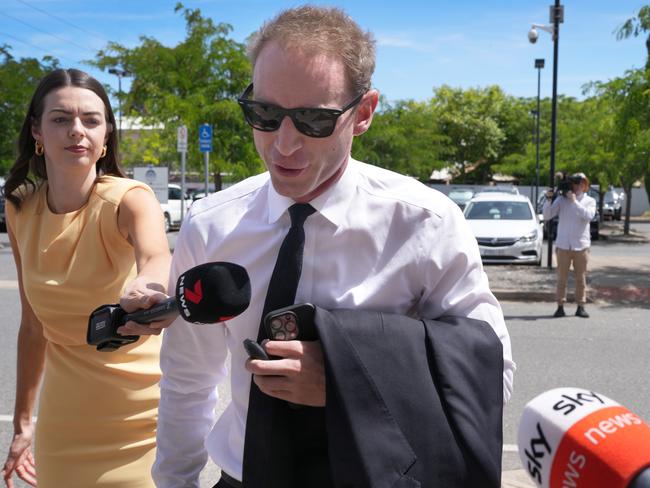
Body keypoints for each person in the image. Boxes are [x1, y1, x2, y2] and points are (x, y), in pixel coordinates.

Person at [153, 6, 514, 487]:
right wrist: (176, 482)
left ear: (363, 113)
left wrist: (349, 380)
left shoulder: (425, 223)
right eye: (265, 114)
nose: (283, 144)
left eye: (312, 120)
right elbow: (188, 377)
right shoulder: (211, 225)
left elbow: (490, 376)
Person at [1, 69, 171, 488]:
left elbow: (156, 257)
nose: (77, 130)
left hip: (141, 415)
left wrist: (148, 286)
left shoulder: (129, 199)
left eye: (91, 120)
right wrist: (23, 425)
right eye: (61, 119)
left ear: (107, 136)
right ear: (37, 130)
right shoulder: (19, 207)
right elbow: (32, 324)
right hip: (65, 418)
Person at [543, 172, 597, 318]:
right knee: (562, 278)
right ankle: (560, 306)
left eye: (582, 183)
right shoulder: (561, 200)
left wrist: (574, 202)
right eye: (576, 182)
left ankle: (581, 306)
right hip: (563, 245)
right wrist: (549, 199)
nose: (578, 185)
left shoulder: (589, 201)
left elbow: (588, 216)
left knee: (581, 278)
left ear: (585, 185)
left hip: (581, 246)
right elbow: (547, 215)